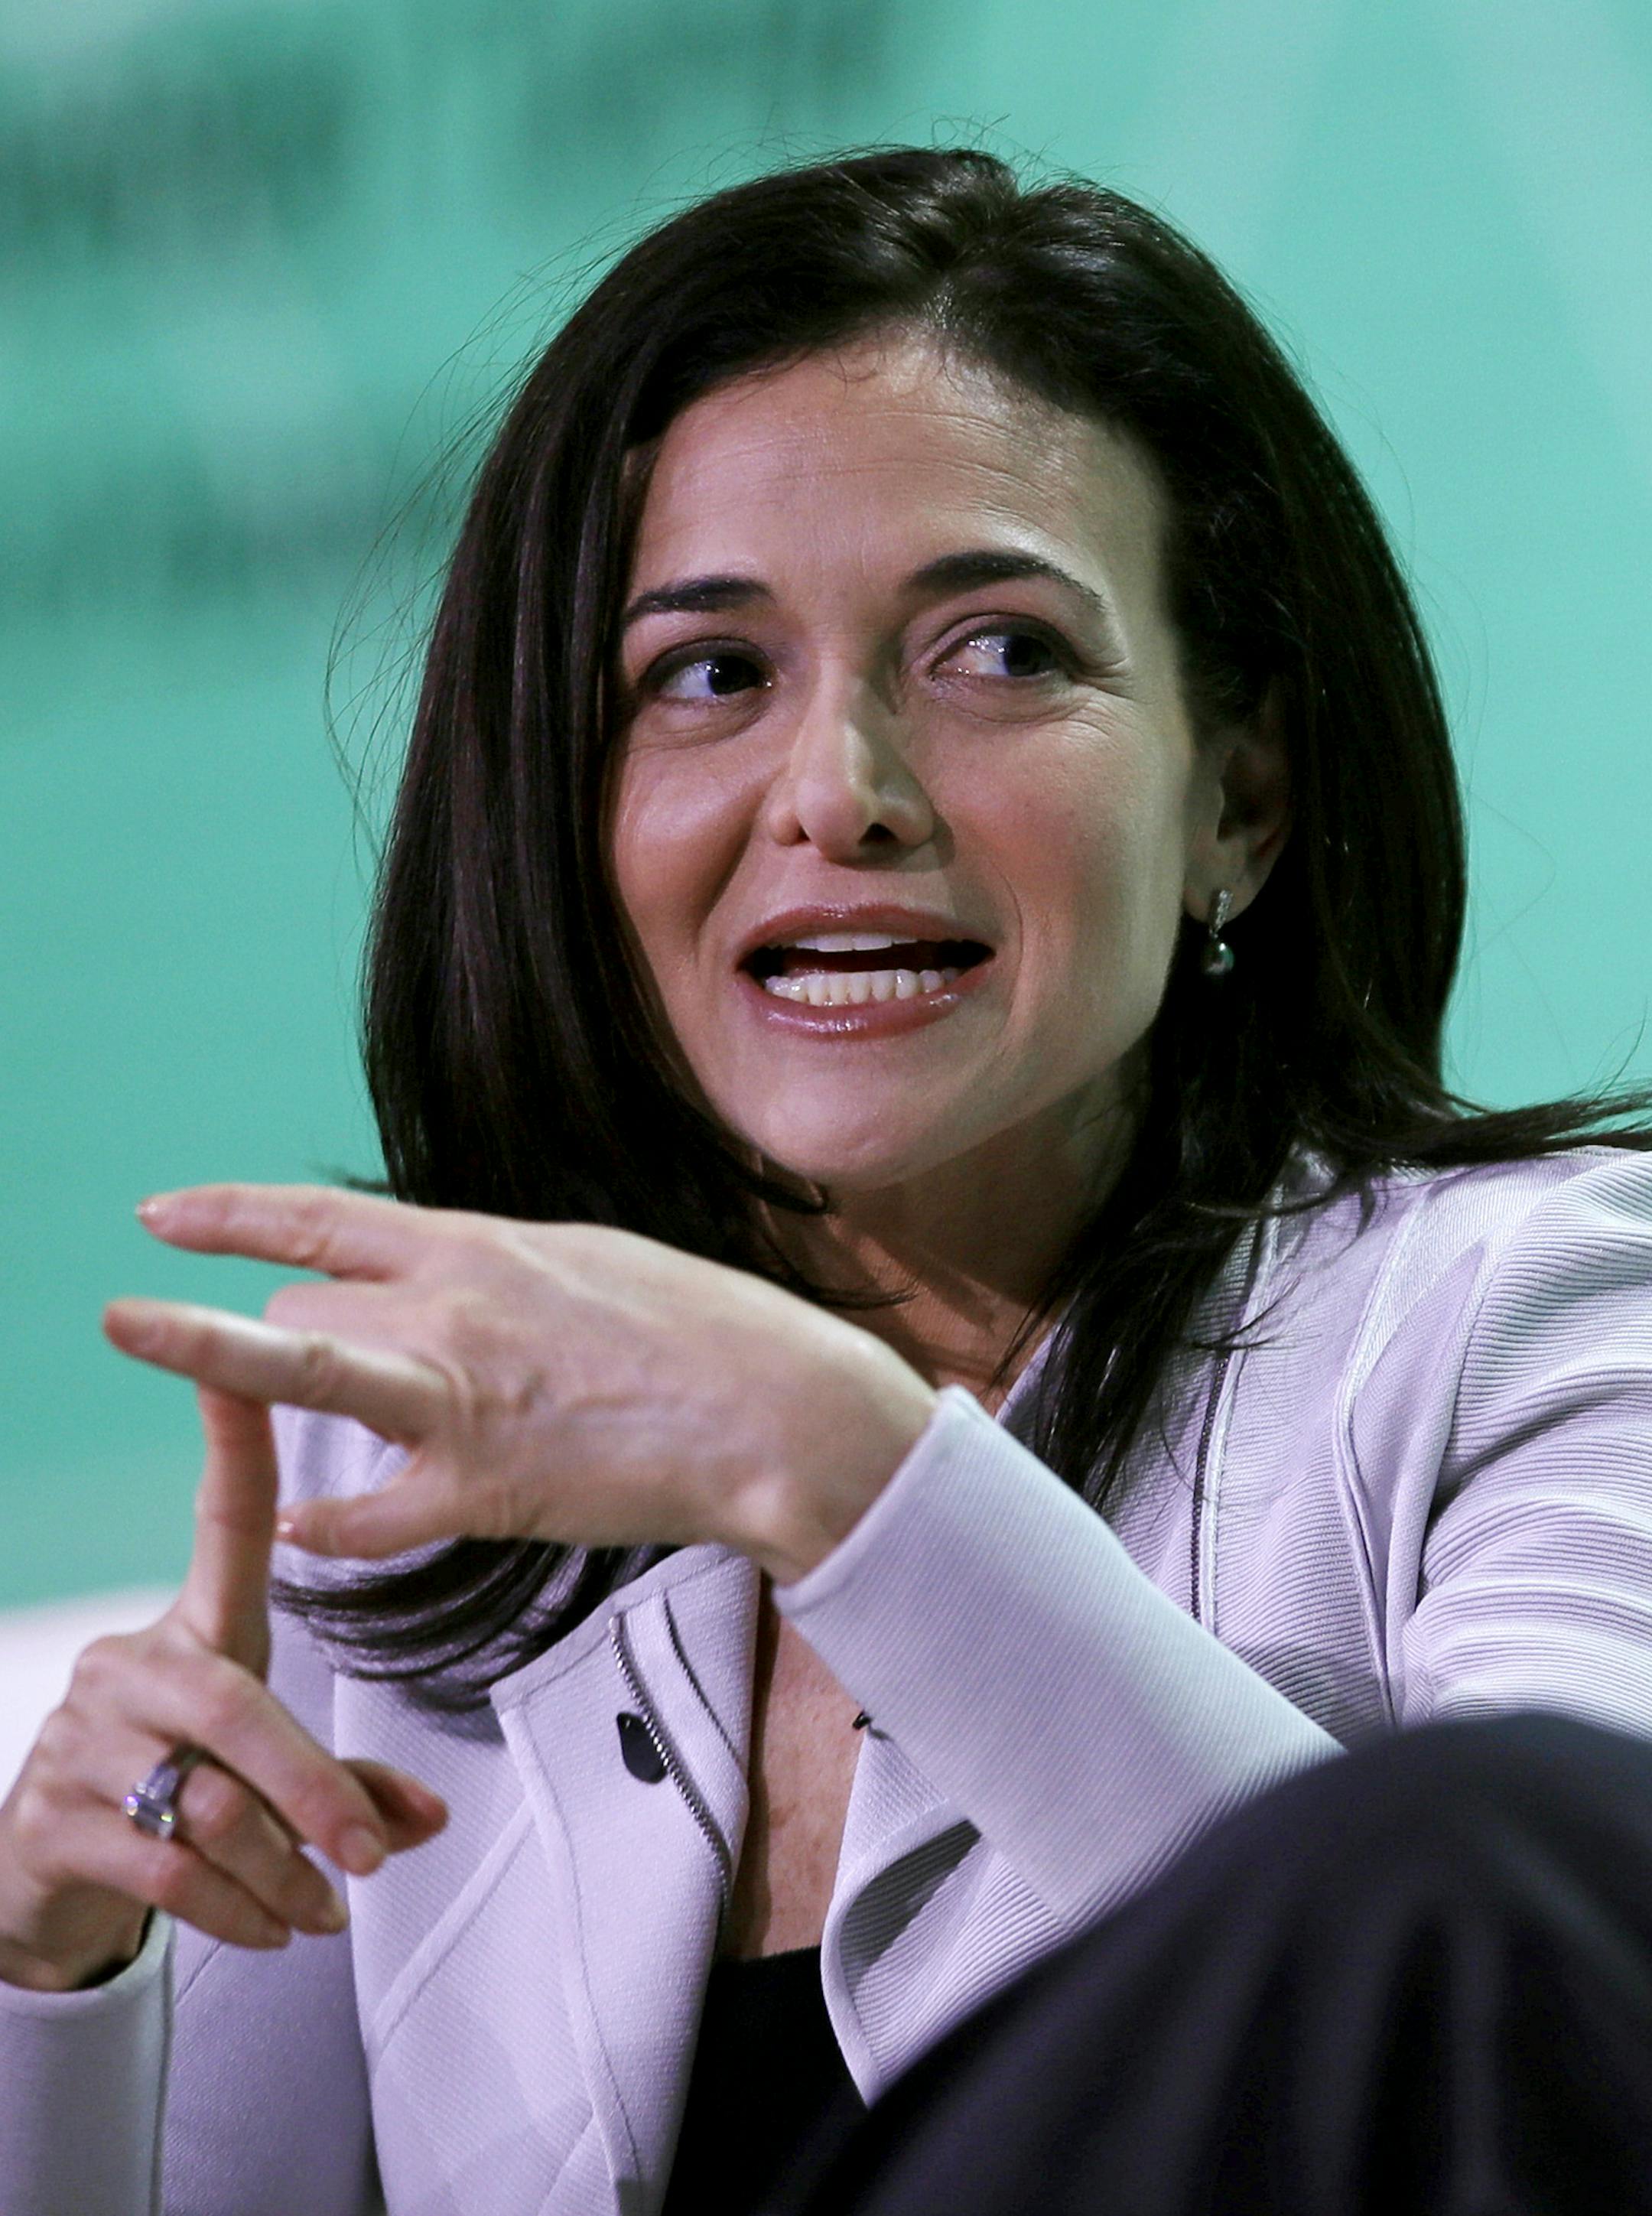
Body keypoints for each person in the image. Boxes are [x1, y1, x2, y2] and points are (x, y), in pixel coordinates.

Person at [2, 145, 1652, 2216]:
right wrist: (59, 1970)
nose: (838, 792)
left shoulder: (1534, 1319)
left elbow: (1549, 2025)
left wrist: (842, 1462)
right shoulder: (401, 1482)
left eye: (1000, 655)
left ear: (1238, 800)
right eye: (709, 673)